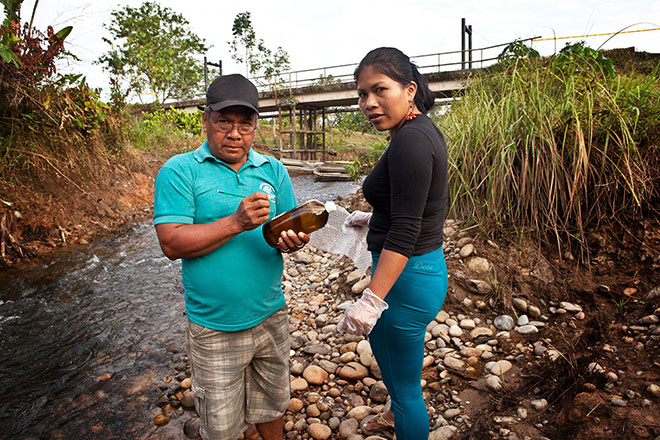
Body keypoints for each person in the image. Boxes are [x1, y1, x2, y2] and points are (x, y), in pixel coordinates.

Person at [153, 73, 309, 440]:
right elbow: (171, 244)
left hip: (270, 315)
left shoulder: (273, 171)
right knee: (221, 427)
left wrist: (292, 241)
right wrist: (235, 222)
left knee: (273, 405)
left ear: (256, 126)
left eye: (245, 123)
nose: (234, 133)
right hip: (214, 326)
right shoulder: (180, 171)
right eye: (224, 121)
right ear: (206, 120)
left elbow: (284, 229)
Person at [337, 47, 449, 440]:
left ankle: (403, 419)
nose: (368, 103)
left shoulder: (411, 141)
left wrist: (372, 299)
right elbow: (424, 203)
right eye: (362, 94)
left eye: (379, 90)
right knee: (396, 371)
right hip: (416, 272)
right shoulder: (415, 131)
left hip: (408, 278)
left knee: (405, 392)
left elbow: (406, 228)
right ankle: (394, 417)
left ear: (409, 89)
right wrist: (374, 218)